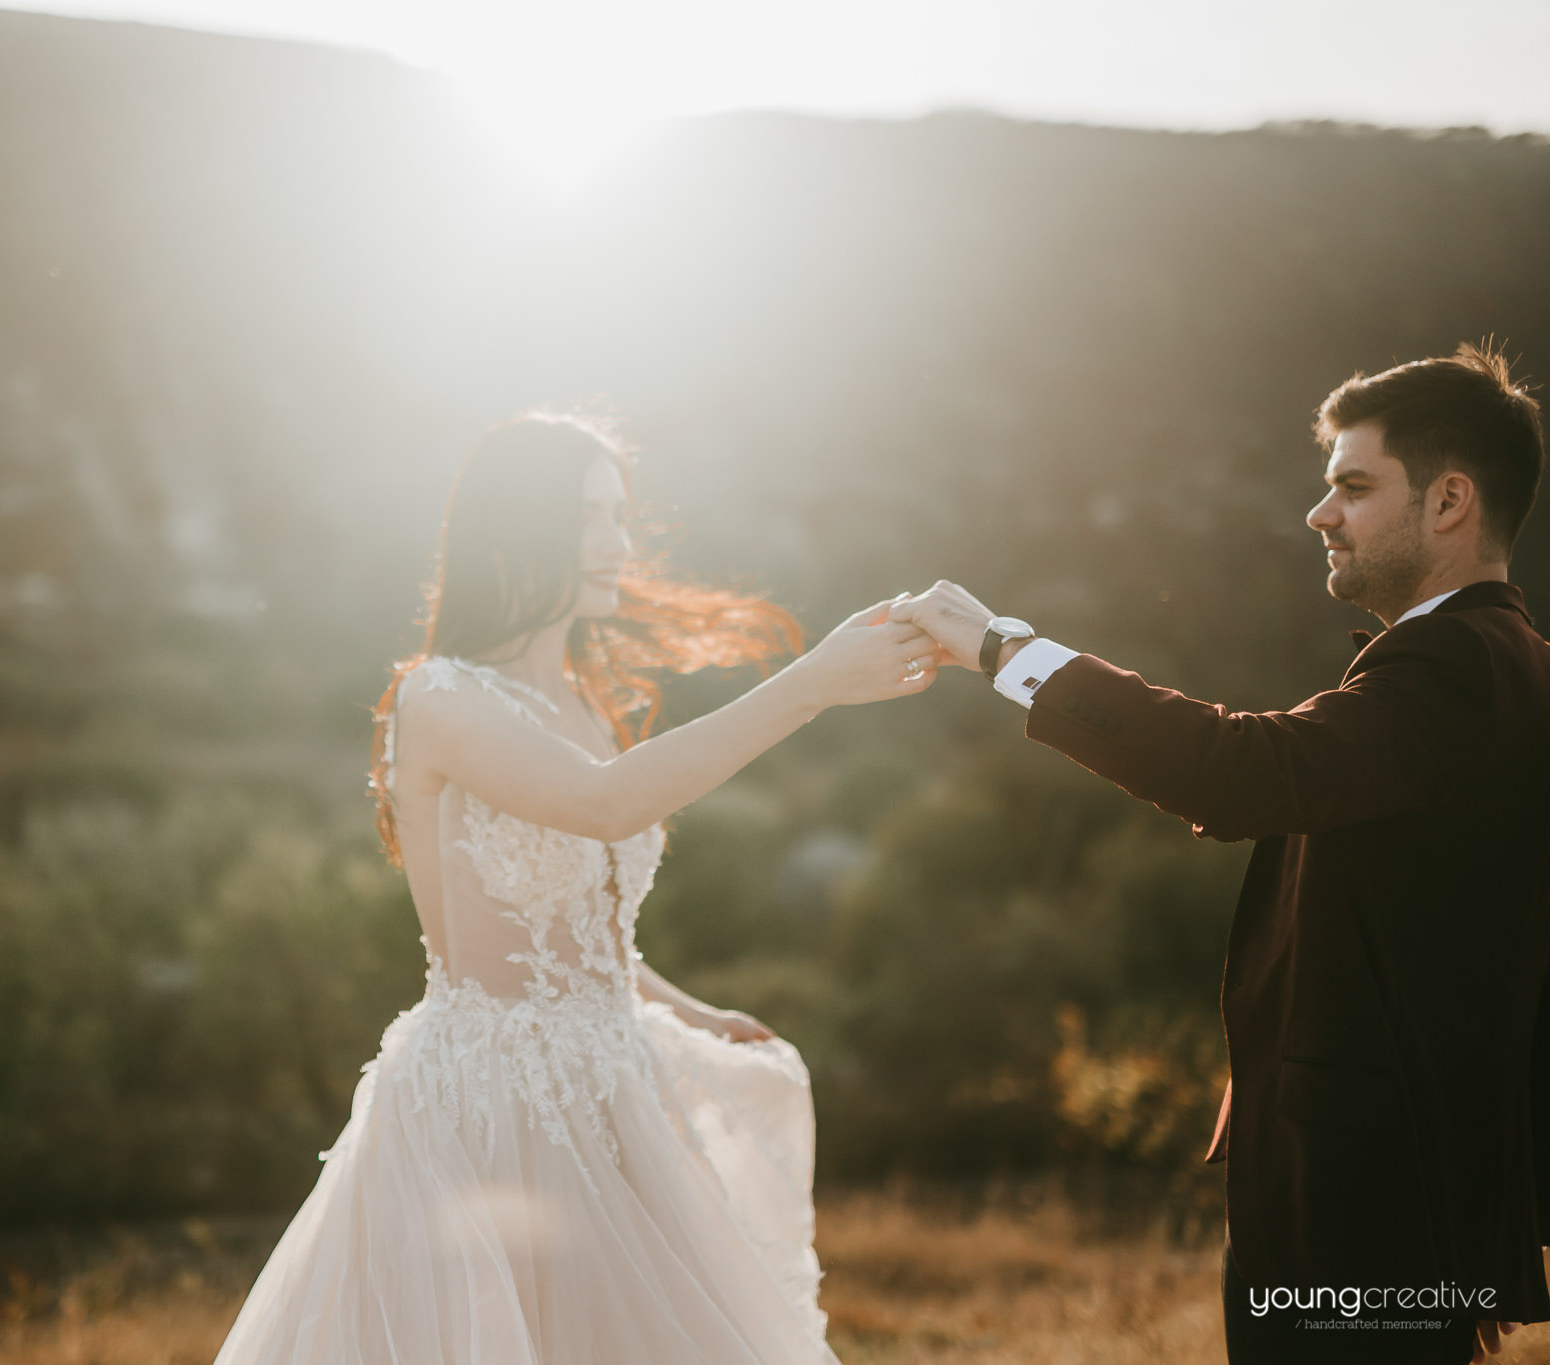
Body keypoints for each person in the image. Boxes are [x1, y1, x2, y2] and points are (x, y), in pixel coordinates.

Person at [209, 411, 937, 1363]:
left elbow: (585, 937)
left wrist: (692, 1010)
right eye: (591, 515)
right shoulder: (442, 696)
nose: (618, 544)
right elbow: (604, 805)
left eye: (621, 517)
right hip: (493, 1107)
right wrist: (809, 685)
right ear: (516, 523)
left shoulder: (587, 703)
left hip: (612, 1088)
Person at [889, 343, 1550, 1365]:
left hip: (1360, 1205)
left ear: (1449, 500)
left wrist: (1004, 651)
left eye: (1351, 485)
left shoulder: (1450, 668)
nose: (1317, 514)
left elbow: (1241, 770)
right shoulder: (1508, 665)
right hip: (1401, 1193)